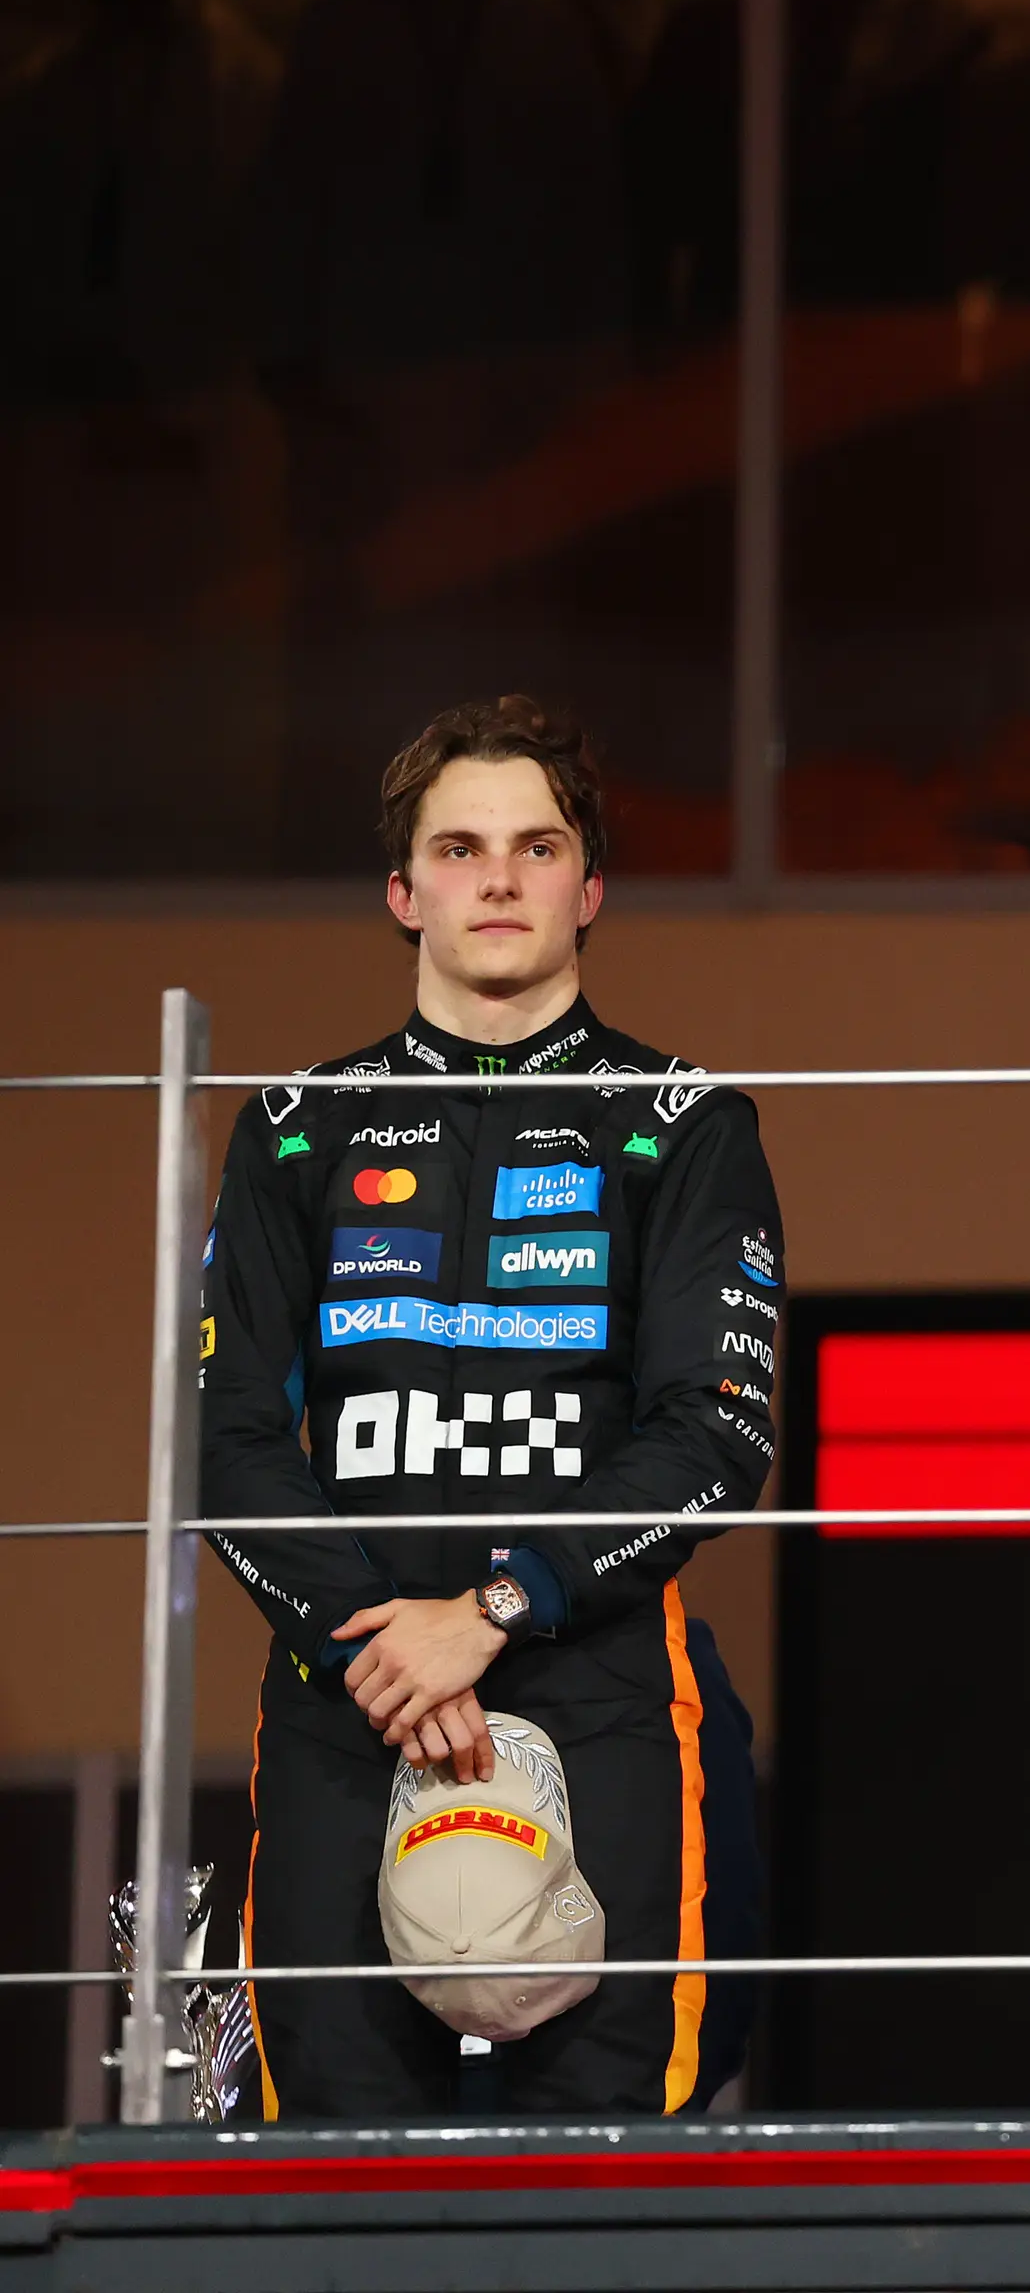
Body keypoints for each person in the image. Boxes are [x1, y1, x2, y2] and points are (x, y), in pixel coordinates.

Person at [200, 696, 776, 2116]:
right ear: (404, 892)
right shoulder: (293, 1128)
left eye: (537, 845)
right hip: (351, 1695)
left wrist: (497, 1610)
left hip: (604, 1691)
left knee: (622, 2187)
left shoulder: (690, 1121)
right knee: (329, 2191)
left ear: (590, 889)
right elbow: (225, 1443)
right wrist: (384, 1657)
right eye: (460, 848)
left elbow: (720, 1429)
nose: (501, 878)